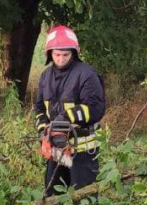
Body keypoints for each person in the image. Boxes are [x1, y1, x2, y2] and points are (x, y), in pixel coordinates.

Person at [33, 25, 106, 196]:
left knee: (83, 198)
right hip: (56, 149)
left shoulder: (86, 74)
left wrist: (64, 119)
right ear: (49, 54)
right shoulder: (46, 77)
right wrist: (44, 129)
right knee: (53, 196)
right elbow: (39, 109)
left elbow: (95, 108)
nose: (61, 59)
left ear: (74, 52)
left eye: (65, 55)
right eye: (57, 55)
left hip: (83, 150)